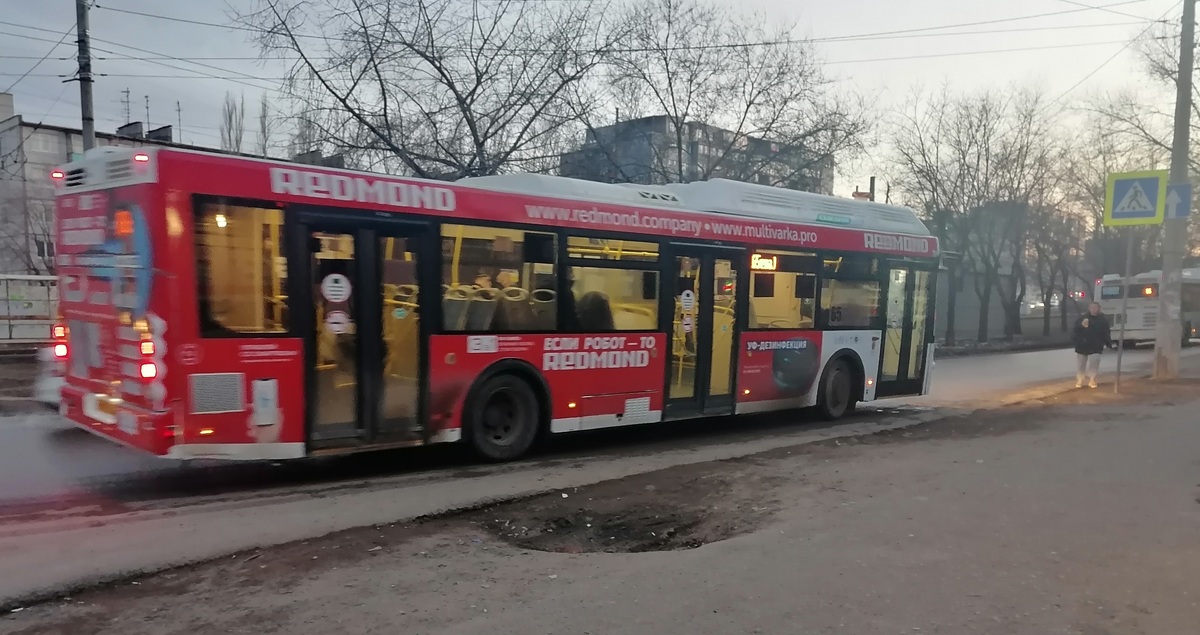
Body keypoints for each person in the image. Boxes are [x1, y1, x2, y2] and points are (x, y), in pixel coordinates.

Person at [1072, 302, 1114, 388]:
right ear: (1089, 308)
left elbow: (1106, 332)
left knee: (1095, 361)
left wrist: (1108, 343)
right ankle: (1080, 379)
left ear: (1099, 309)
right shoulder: (1083, 318)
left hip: (1096, 344)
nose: (1094, 309)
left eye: (1096, 307)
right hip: (1083, 345)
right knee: (1081, 363)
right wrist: (1081, 326)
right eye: (1092, 307)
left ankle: (1092, 379)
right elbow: (1075, 330)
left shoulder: (1102, 320)